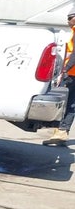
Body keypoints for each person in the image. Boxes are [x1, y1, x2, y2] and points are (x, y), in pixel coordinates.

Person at [43, 8, 75, 146]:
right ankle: (61, 132)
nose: (68, 21)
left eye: (70, 18)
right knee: (71, 103)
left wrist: (66, 69)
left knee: (67, 102)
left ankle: (61, 131)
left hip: (72, 74)